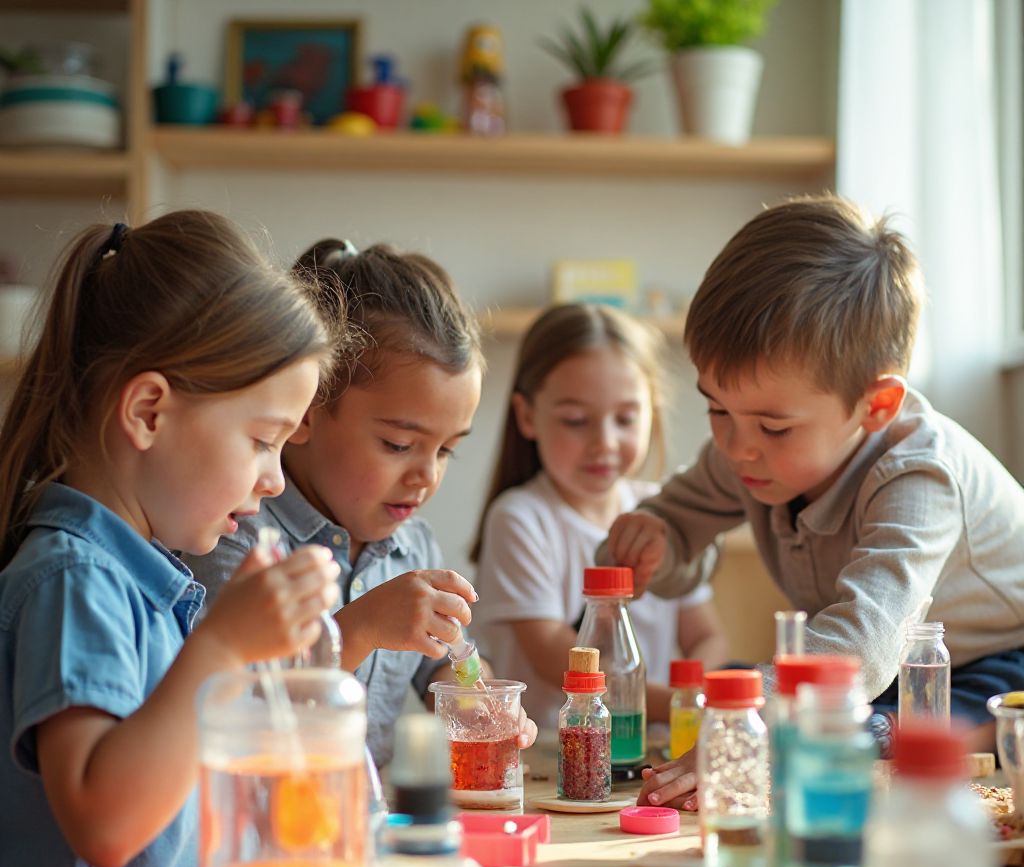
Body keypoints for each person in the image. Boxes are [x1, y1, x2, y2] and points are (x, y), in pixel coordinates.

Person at [0, 211, 342, 867]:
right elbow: (106, 823)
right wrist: (221, 647)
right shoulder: (74, 580)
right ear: (149, 411)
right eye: (262, 441)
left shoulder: (140, 579)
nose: (273, 481)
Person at [602, 194, 1024, 809]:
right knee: (739, 684)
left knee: (847, 717)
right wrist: (655, 543)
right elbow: (678, 538)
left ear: (875, 406)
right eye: (717, 408)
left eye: (773, 427)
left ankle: (889, 735)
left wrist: (749, 727)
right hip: (885, 673)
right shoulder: (748, 450)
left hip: (993, 662)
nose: (735, 446)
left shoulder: (920, 476)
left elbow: (863, 643)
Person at [186, 238, 537, 766]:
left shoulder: (411, 546)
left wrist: (481, 699)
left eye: (447, 450)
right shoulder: (237, 538)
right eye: (398, 444)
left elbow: (447, 662)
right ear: (306, 410)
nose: (427, 475)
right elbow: (233, 711)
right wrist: (360, 628)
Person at [471, 303, 728, 729]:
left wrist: (695, 695)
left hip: (653, 747)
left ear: (651, 413)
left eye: (625, 419)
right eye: (576, 420)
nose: (604, 442)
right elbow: (555, 656)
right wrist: (681, 705)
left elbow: (706, 636)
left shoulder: (663, 512)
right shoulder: (520, 518)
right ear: (527, 416)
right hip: (554, 753)